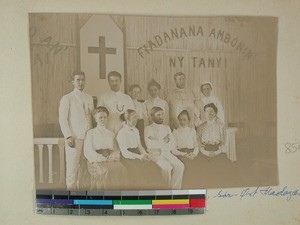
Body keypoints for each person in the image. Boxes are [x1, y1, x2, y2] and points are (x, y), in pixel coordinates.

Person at [58, 71, 94, 190]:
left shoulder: (89, 98)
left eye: (83, 80)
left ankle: (82, 192)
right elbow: (63, 119)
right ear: (73, 81)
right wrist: (68, 136)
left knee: (84, 168)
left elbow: (91, 117)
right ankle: (71, 194)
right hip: (74, 137)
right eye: (78, 80)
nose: (81, 82)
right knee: (72, 167)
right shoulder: (67, 98)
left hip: (88, 137)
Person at [84, 106, 128, 190]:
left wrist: (112, 157)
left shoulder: (111, 133)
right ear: (95, 118)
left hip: (110, 159)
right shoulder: (91, 133)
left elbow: (115, 149)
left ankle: (121, 196)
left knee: (122, 168)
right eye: (100, 117)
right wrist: (102, 158)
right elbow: (89, 151)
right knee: (106, 171)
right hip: (96, 160)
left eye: (105, 117)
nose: (103, 120)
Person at [144, 107, 185, 189]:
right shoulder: (148, 129)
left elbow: (172, 144)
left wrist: (157, 142)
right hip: (155, 155)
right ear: (152, 116)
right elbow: (150, 145)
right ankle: (166, 190)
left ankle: (175, 191)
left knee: (180, 166)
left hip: (167, 153)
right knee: (167, 167)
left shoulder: (167, 128)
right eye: (158, 115)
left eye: (162, 114)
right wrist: (163, 141)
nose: (161, 117)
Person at [116, 109, 151, 188]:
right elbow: (124, 152)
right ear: (127, 119)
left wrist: (145, 154)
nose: (136, 119)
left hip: (137, 154)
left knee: (151, 166)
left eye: (137, 117)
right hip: (127, 157)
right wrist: (139, 157)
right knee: (138, 170)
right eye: (134, 117)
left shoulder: (136, 130)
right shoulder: (122, 133)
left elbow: (140, 146)